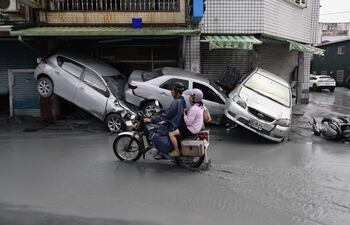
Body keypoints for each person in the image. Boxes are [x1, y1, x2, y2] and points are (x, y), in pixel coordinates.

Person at [144, 82, 187, 159]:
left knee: (154, 131)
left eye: (172, 90)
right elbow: (170, 111)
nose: (171, 92)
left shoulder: (176, 102)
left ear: (176, 91)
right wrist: (160, 111)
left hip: (172, 125)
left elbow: (167, 115)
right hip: (177, 123)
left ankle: (162, 153)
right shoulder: (181, 100)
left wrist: (151, 119)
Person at [168, 88, 204, 157]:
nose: (189, 97)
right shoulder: (200, 105)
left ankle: (176, 151)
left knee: (171, 134)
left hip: (191, 129)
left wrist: (184, 114)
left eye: (191, 96)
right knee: (178, 126)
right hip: (196, 127)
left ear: (195, 98)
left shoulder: (194, 108)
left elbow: (188, 122)